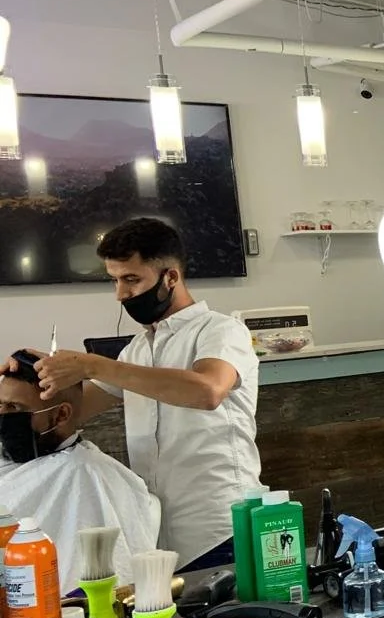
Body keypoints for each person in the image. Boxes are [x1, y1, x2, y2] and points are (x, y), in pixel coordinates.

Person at [22, 218, 262, 570]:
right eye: (115, 281)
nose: (121, 294)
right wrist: (29, 378)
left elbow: (208, 390)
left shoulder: (222, 331)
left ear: (171, 277)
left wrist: (92, 365)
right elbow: (73, 411)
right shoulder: (136, 350)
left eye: (132, 279)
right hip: (156, 532)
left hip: (222, 529)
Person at [0, 350, 159, 587]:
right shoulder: (9, 458)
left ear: (61, 414)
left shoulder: (86, 475)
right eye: (0, 405)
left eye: (14, 407)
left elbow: (111, 579)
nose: (3, 415)